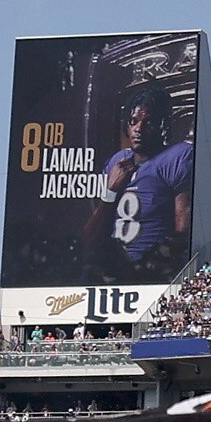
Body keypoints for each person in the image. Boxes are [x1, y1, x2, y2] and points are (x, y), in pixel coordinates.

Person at [86, 91, 194, 283]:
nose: (139, 128)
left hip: (150, 273)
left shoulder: (177, 158)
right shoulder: (117, 162)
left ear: (163, 126)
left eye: (148, 122)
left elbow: (183, 233)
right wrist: (111, 192)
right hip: (112, 270)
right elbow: (89, 239)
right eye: (133, 121)